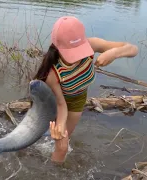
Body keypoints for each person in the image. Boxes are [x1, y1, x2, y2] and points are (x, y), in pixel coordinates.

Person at [33, 16, 139, 163]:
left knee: (64, 139)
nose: (78, 57)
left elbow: (133, 49)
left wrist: (113, 53)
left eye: (79, 50)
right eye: (72, 53)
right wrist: (60, 124)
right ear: (58, 47)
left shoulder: (91, 45)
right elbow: (61, 104)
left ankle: (51, 141)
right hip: (59, 101)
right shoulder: (53, 73)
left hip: (78, 98)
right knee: (62, 148)